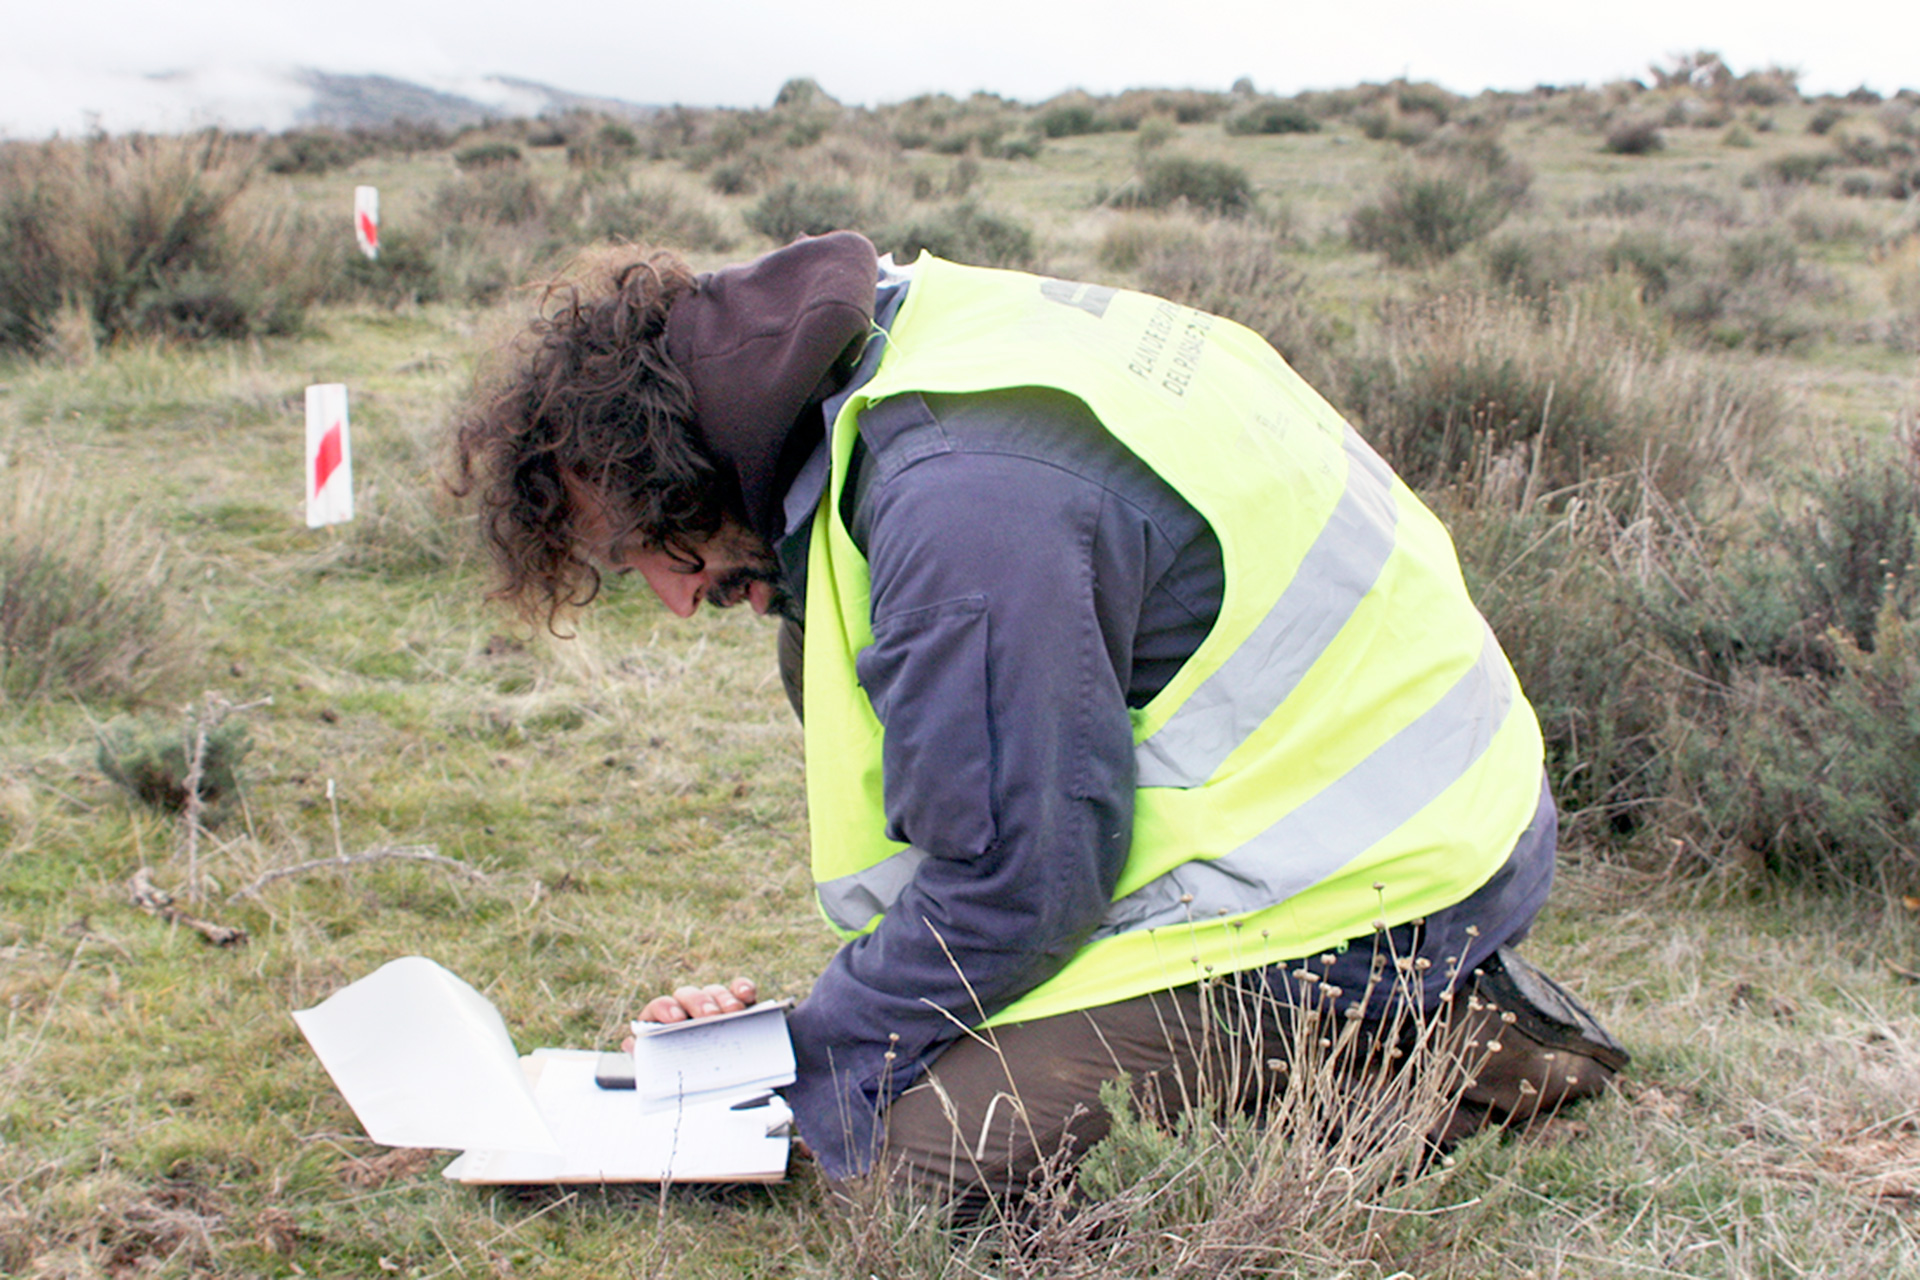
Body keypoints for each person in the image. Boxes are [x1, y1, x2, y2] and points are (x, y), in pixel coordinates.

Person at [452, 231, 1626, 1212]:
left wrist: (793, 1060)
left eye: (646, 550)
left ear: (684, 462)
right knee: (892, 1076)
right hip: (1351, 808)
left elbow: (1019, 886)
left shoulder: (958, 506)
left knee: (910, 1167)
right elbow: (998, 834)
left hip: (1383, 878)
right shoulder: (901, 351)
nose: (668, 594)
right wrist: (807, 1026)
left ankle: (1447, 1045)